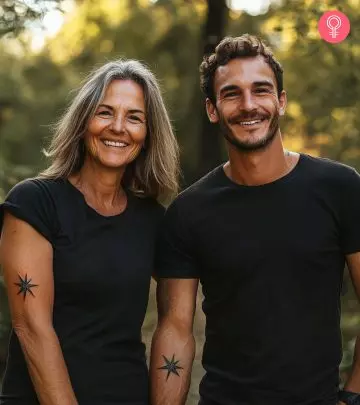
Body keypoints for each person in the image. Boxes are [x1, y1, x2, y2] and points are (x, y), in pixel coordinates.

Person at [150, 34, 360, 405]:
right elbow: (175, 329)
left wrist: (352, 397)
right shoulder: (188, 212)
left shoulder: (340, 188)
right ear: (213, 109)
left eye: (261, 91)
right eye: (231, 94)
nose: (248, 105)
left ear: (280, 102)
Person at [0, 59, 179, 404]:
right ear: (83, 122)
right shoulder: (35, 203)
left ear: (148, 133)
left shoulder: (155, 221)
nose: (118, 127)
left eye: (134, 117)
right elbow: (32, 328)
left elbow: (177, 320)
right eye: (105, 112)